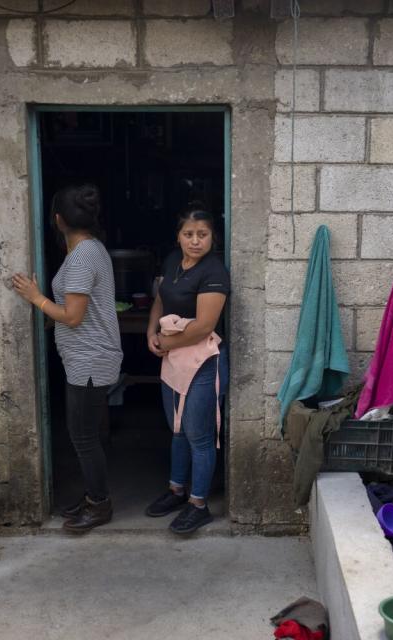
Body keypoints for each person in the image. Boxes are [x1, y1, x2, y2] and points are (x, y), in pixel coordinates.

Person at [12, 184, 122, 534]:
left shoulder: (82, 256)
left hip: (90, 359)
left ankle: (100, 503)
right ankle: (93, 496)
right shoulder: (88, 250)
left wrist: (36, 298)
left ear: (58, 220)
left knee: (83, 437)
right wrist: (50, 315)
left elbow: (74, 316)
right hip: (85, 357)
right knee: (83, 433)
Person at [145, 207, 230, 535]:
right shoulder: (171, 261)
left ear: (212, 237)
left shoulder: (215, 272)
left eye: (203, 234)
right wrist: (151, 331)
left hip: (203, 361)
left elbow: (204, 325)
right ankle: (176, 490)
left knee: (199, 434)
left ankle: (199, 504)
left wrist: (166, 343)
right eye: (188, 234)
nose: (195, 241)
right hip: (173, 355)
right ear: (178, 236)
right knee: (177, 429)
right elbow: (160, 301)